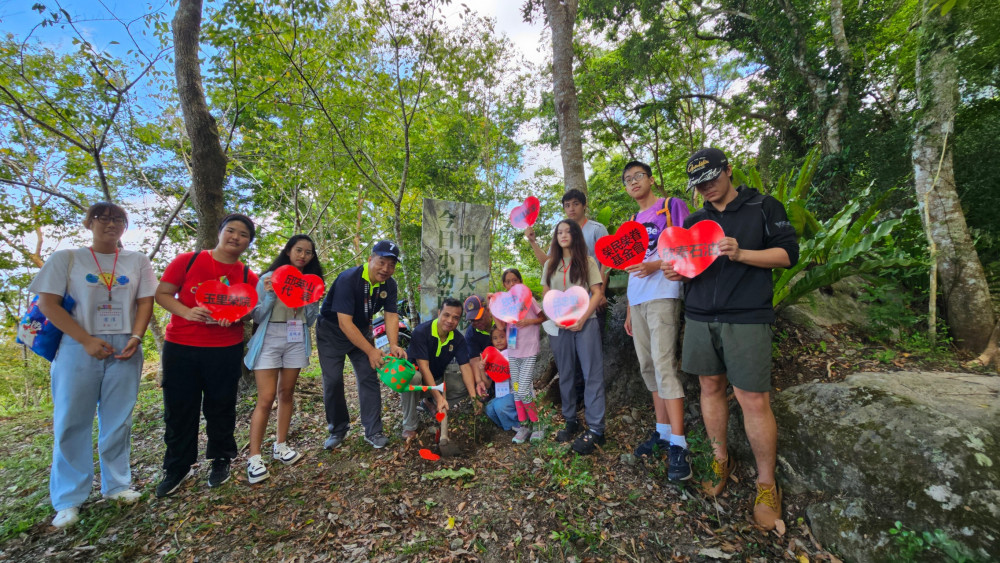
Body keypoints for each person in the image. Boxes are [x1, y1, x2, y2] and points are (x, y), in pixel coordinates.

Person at [662, 147, 799, 530]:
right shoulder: (694, 220)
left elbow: (789, 255)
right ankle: (720, 459)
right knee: (708, 386)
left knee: (752, 398)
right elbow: (692, 268)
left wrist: (742, 253)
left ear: (729, 171)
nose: (706, 188)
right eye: (698, 184)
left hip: (747, 316)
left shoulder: (764, 207)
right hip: (701, 316)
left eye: (712, 179)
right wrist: (679, 273)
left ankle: (767, 484)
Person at [29, 202, 157, 528]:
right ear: (90, 222)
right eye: (103, 217)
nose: (111, 224)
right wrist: (85, 339)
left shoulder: (137, 261)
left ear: (125, 226)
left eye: (118, 219)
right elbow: (47, 303)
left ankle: (117, 485)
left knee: (118, 420)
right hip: (77, 345)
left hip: (125, 345)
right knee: (72, 421)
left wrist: (138, 337)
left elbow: (145, 302)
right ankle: (69, 499)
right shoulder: (66, 258)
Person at [154, 214, 259, 497]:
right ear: (220, 231)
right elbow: (162, 294)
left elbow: (250, 312)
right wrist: (186, 311)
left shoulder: (249, 276)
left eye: (243, 235)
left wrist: (237, 317)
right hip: (181, 346)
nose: (235, 238)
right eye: (231, 231)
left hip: (225, 349)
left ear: (249, 242)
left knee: (221, 406)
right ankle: (177, 466)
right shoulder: (187, 260)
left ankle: (221, 459)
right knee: (179, 408)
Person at [620, 160, 692, 479]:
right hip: (638, 299)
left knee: (664, 364)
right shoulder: (632, 221)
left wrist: (655, 265)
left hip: (664, 292)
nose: (633, 182)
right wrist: (627, 309)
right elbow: (631, 268)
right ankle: (662, 433)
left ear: (650, 179)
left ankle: (680, 444)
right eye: (627, 180)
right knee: (647, 366)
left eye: (638, 176)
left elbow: (691, 247)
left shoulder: (671, 206)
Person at [243, 235, 323, 483]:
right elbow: (255, 315)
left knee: (286, 393)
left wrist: (311, 301)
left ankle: (281, 445)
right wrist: (268, 294)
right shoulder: (267, 278)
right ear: (288, 251)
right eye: (298, 250)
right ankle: (254, 457)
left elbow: (310, 320)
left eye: (308, 252)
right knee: (266, 398)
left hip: (296, 336)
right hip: (269, 337)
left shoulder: (311, 282)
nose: (303, 256)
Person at [316, 241, 405, 450]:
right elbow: (344, 322)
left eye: (391, 265)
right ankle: (338, 429)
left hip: (361, 329)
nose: (385, 269)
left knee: (368, 376)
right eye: (381, 262)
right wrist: (371, 351)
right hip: (332, 332)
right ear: (370, 259)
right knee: (333, 380)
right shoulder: (349, 279)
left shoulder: (390, 285)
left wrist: (393, 344)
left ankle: (373, 430)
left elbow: (391, 314)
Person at [541, 220, 606, 455]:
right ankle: (571, 420)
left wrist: (583, 318)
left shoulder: (587, 261)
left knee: (592, 374)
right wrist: (554, 317)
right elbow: (546, 295)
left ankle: (597, 428)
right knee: (565, 373)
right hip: (559, 327)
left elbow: (598, 292)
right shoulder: (550, 264)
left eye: (568, 231)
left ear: (576, 235)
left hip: (585, 324)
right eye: (559, 232)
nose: (563, 235)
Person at [400, 298, 480, 441]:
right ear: (439, 313)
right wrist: (439, 396)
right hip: (415, 382)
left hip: (436, 379)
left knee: (465, 384)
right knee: (414, 377)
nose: (450, 321)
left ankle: (431, 402)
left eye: (455, 318)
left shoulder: (458, 339)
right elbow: (423, 367)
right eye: (446, 315)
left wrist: (474, 398)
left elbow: (466, 367)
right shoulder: (421, 332)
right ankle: (409, 424)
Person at [493, 268, 547, 443]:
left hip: (529, 349)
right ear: (504, 285)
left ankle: (538, 425)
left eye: (514, 280)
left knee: (523, 389)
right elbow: (501, 327)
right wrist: (493, 305)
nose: (511, 284)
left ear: (520, 281)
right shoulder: (506, 305)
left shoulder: (528, 300)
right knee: (517, 391)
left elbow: (543, 317)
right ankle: (524, 426)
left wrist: (528, 321)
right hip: (514, 351)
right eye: (507, 281)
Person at [461, 295, 495, 397]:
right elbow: (474, 359)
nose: (476, 323)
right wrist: (479, 381)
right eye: (472, 320)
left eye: (479, 318)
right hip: (487, 368)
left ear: (488, 311)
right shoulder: (471, 333)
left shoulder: (500, 323)